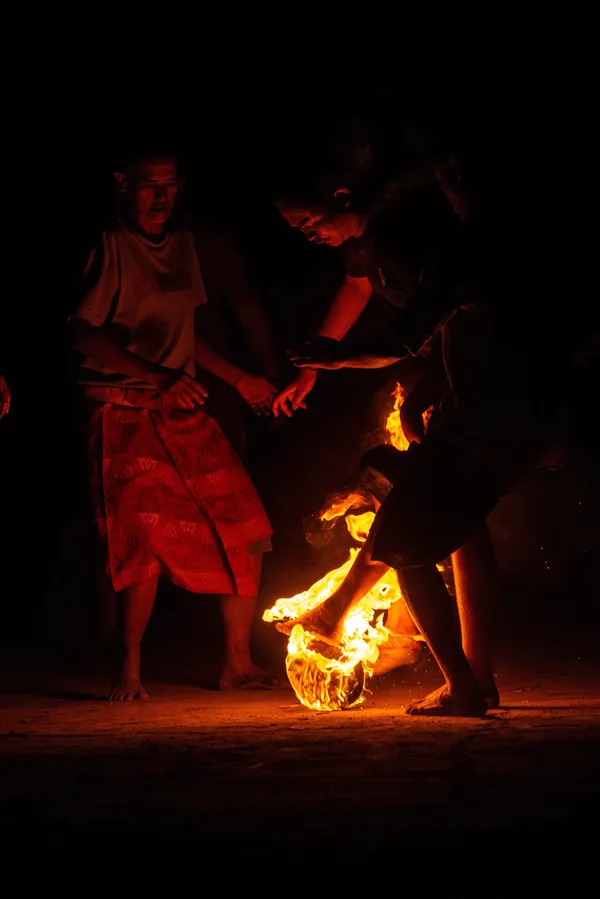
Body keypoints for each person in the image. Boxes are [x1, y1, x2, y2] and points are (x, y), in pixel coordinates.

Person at [272, 156, 565, 716]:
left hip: (491, 411)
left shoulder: (463, 245)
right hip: (500, 409)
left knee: (402, 538)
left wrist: (336, 358)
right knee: (448, 520)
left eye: (454, 181)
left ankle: (463, 685)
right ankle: (475, 677)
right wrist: (431, 388)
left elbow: (411, 335)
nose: (446, 191)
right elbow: (439, 330)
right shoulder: (470, 242)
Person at [68, 149, 279, 700]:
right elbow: (82, 333)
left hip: (181, 409)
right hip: (123, 408)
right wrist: (154, 376)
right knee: (142, 540)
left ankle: (237, 661)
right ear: (122, 185)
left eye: (170, 185)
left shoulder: (183, 245)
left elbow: (186, 333)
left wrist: (241, 379)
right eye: (149, 186)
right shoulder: (110, 245)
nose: (161, 197)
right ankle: (129, 670)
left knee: (247, 526)